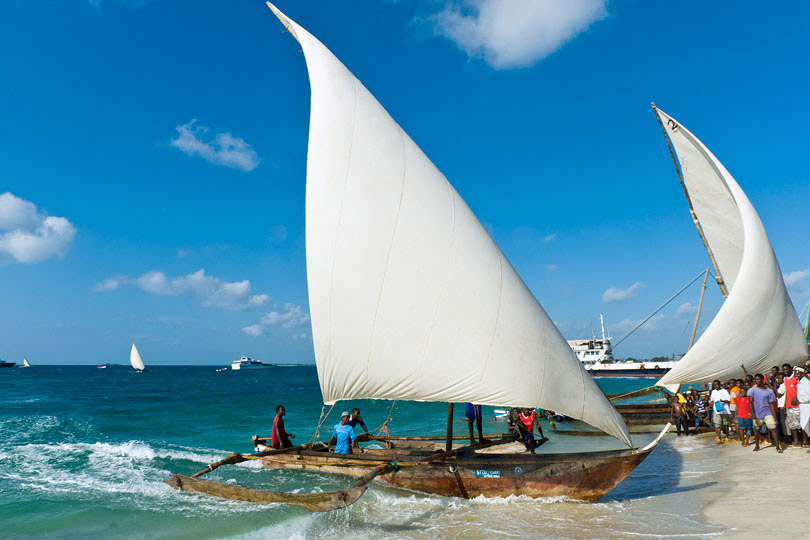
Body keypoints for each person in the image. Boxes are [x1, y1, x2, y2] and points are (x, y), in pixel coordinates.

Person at [748, 374, 782, 453]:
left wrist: (774, 417)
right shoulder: (752, 390)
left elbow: (771, 404)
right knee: (756, 430)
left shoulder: (769, 391)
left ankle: (777, 447)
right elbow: (750, 403)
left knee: (773, 428)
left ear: (762, 379)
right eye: (756, 379)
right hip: (757, 412)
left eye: (759, 379)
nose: (757, 381)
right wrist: (753, 414)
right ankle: (757, 445)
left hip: (767, 412)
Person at [792, 366, 810, 447]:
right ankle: (806, 442)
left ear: (802, 373)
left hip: (807, 405)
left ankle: (806, 442)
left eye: (798, 374)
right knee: (804, 425)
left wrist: (801, 400)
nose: (796, 375)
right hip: (802, 406)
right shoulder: (800, 382)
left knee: (806, 424)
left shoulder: (805, 382)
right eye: (795, 374)